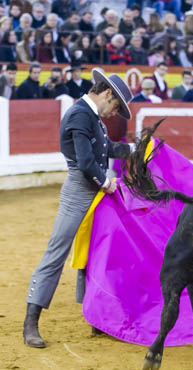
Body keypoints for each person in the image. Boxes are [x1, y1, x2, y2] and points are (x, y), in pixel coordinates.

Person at [23, 69, 134, 347]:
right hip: (80, 190)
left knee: (96, 250)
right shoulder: (79, 115)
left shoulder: (91, 116)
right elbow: (86, 164)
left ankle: (95, 317)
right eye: (115, 106)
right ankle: (30, 325)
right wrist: (106, 182)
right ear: (107, 93)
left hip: (94, 190)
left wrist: (134, 149)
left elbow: (104, 147)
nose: (113, 113)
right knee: (57, 251)